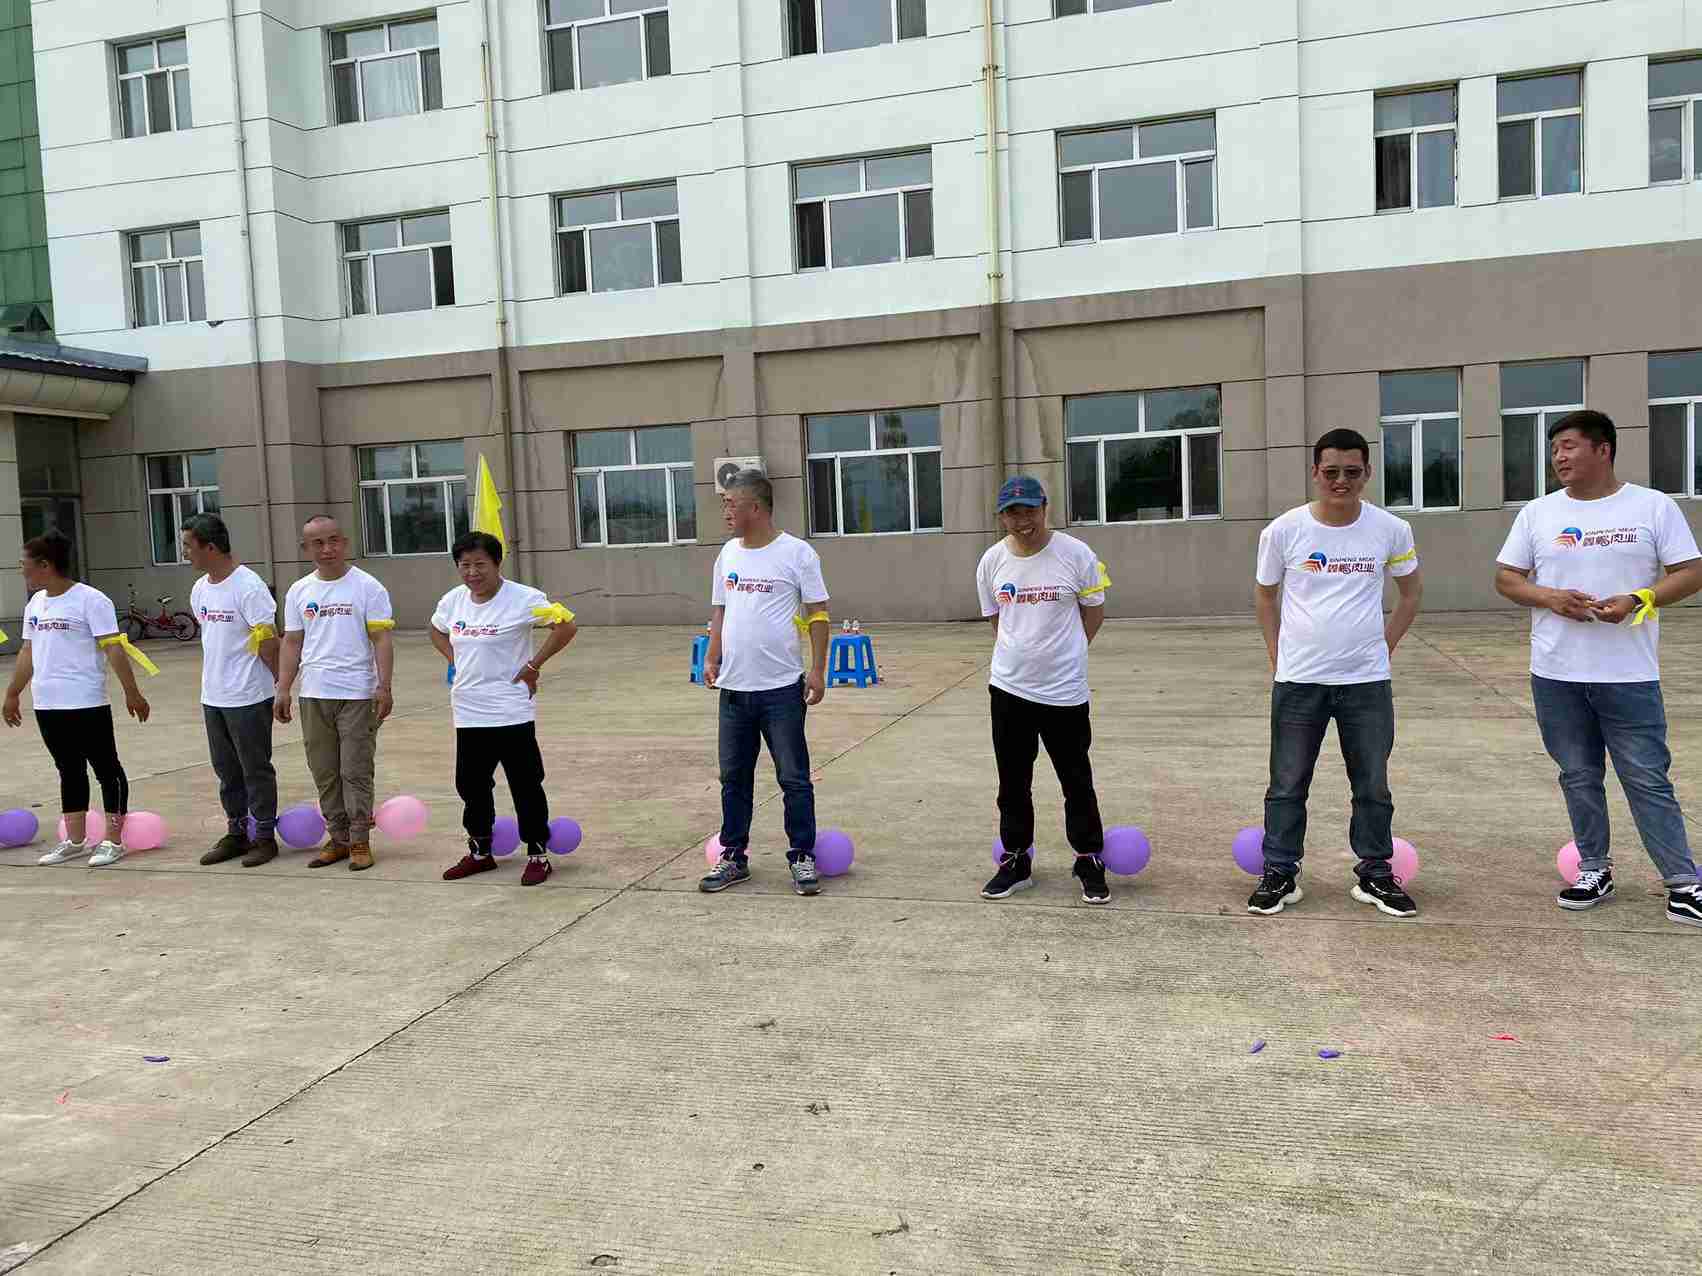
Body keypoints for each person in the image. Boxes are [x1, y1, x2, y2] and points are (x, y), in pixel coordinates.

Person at [1493, 409, 1702, 928]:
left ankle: (1683, 883)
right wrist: (1549, 597)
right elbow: (1507, 579)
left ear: (1603, 449)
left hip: (1628, 674)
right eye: (1554, 449)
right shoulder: (1538, 513)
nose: (1558, 457)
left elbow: (1691, 571)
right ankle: (1593, 870)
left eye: (1569, 446)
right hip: (1556, 674)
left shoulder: (1651, 506)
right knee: (1579, 776)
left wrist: (1639, 599)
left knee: (1646, 778)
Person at [1250, 427, 1424, 918]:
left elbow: (1410, 593)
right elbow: (1265, 595)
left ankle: (1375, 874)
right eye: (1331, 472)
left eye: (1352, 472)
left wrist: (1385, 646)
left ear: (1367, 472)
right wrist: (1277, 654)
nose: (1341, 481)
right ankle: (1280, 872)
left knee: (1372, 785)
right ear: (1315, 473)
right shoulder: (1284, 531)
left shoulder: (1391, 529)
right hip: (1299, 680)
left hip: (1365, 682)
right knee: (1287, 783)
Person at [976, 476, 1113, 904]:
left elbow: (1094, 613)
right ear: (1002, 517)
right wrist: (1024, 656)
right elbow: (997, 621)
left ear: (1045, 508)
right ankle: (1016, 860)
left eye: (1030, 510)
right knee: (1012, 783)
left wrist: (1066, 654)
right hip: (1009, 689)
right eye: (1013, 513)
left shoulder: (1076, 554)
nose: (1023, 521)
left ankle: (1088, 858)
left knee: (1076, 780)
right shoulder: (992, 561)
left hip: (1064, 692)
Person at [699, 469, 830, 896]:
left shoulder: (797, 553)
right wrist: (712, 656)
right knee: (733, 779)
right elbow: (720, 610)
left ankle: (802, 856)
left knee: (794, 778)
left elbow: (818, 613)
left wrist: (818, 669)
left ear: (755, 507)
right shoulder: (727, 554)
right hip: (734, 690)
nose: (725, 512)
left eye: (730, 504)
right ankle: (733, 857)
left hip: (781, 691)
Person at [432, 532, 578, 886]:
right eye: (464, 565)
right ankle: (480, 852)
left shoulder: (524, 598)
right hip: (468, 710)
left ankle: (537, 854)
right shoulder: (453, 601)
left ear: (497, 563)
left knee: (525, 784)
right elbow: (436, 630)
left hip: (511, 710)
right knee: (471, 785)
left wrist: (533, 665)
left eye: (480, 564)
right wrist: (454, 660)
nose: (472, 572)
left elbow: (566, 626)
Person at [3, 530, 152, 866]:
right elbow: (28, 650)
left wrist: (132, 692)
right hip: (48, 703)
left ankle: (113, 840)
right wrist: (13, 693)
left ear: (45, 565)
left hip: (86, 701)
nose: (21, 570)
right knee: (68, 770)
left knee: (106, 769)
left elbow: (113, 648)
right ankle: (75, 840)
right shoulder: (35, 603)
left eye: (25, 564)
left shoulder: (91, 600)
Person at [273, 515, 394, 871]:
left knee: (355, 769)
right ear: (305, 548)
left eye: (333, 541)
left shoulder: (368, 587)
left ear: (344, 542)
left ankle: (359, 840)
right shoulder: (299, 590)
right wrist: (283, 688)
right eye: (318, 543)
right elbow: (292, 642)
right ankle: (338, 838)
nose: (327, 549)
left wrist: (383, 686)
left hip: (357, 694)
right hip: (314, 694)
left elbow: (381, 639)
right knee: (324, 770)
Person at [181, 513, 281, 868]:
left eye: (188, 546)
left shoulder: (248, 587)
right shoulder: (200, 588)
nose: (185, 553)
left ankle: (264, 836)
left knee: (255, 768)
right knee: (226, 770)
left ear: (210, 547)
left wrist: (281, 685)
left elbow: (268, 642)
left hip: (249, 695)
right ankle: (237, 832)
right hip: (213, 694)